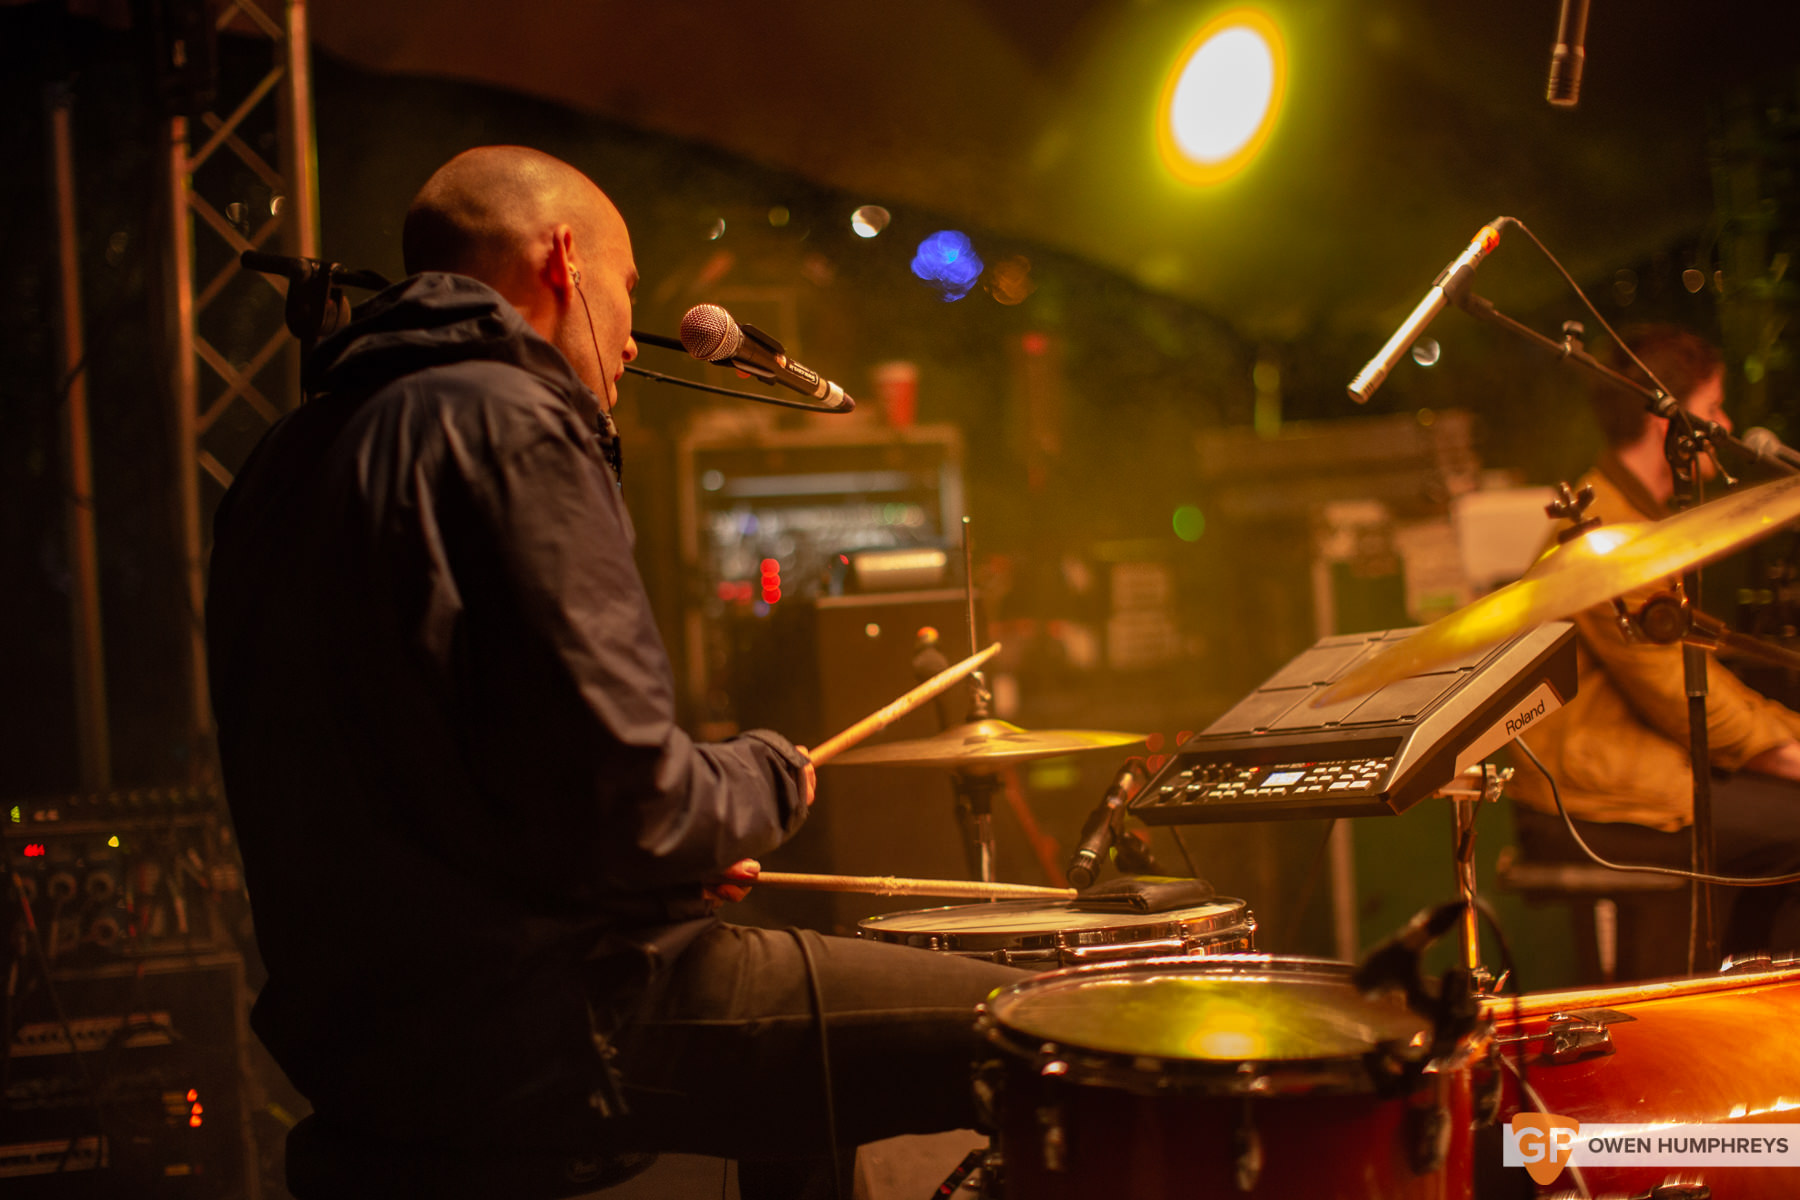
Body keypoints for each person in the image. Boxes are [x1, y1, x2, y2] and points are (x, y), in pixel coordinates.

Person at [206, 146, 1024, 1198]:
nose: (630, 344)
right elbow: (635, 802)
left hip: (369, 1047)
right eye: (627, 287)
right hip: (552, 1023)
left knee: (812, 1054)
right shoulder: (513, 418)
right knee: (1030, 1030)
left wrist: (670, 860)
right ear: (565, 260)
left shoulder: (281, 459)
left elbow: (454, 783)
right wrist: (763, 777)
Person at [1508, 324, 1800, 964]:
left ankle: (1745, 995)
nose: (1727, 426)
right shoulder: (1608, 537)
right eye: (1715, 408)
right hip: (1592, 800)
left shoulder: (1628, 513)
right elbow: (1684, 701)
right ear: (1669, 422)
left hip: (1625, 773)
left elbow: (1695, 680)